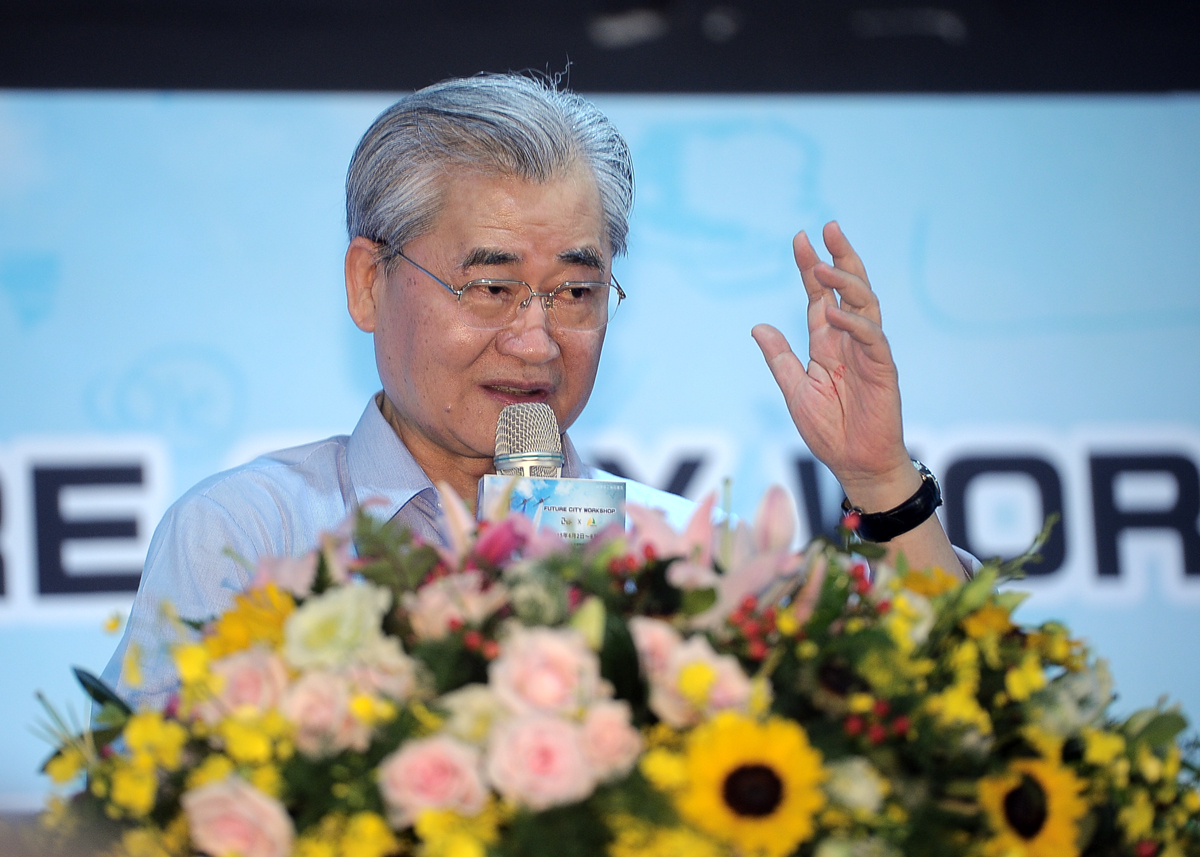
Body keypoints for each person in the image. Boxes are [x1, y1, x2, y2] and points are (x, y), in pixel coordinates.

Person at [102, 73, 970, 710]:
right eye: (491, 287)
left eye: (576, 291)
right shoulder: (248, 534)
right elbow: (132, 806)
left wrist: (880, 479)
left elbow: (949, 712)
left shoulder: (680, 553)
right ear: (369, 282)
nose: (536, 338)